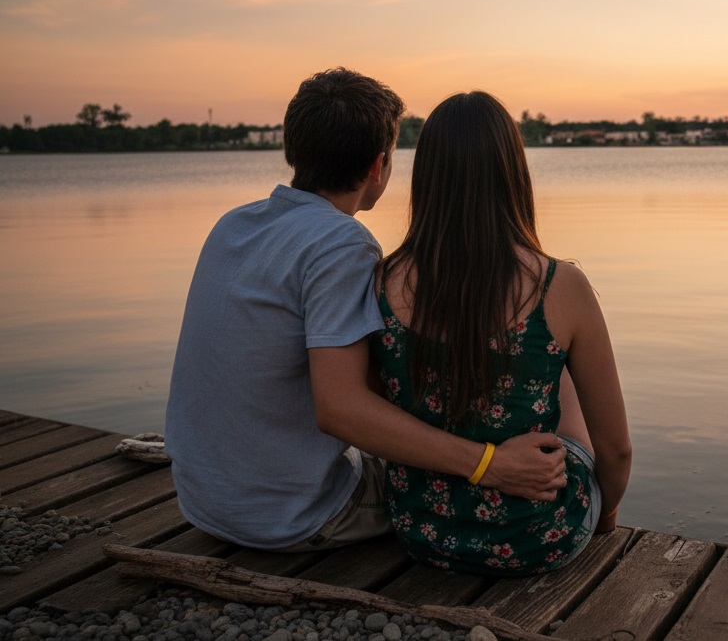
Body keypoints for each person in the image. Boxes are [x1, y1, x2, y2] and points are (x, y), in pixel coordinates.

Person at [165, 69, 568, 552]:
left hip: (204, 500)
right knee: (449, 479)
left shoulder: (233, 225)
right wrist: (489, 462)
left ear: (295, 151)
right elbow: (341, 411)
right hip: (289, 516)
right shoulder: (340, 243)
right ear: (379, 166)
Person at [370, 91, 632, 576]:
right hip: (538, 535)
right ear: (513, 171)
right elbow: (615, 449)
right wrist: (606, 509)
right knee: (561, 366)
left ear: (426, 176)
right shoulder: (560, 285)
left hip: (423, 531)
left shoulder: (381, 280)